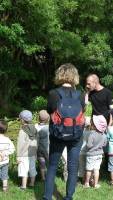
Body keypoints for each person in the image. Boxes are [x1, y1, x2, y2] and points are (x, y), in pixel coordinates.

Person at [43, 63, 85, 200]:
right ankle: (68, 197)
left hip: (57, 134)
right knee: (72, 167)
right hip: (76, 135)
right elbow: (82, 112)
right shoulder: (81, 94)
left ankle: (47, 197)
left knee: (53, 166)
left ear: (59, 75)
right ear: (75, 76)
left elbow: (50, 112)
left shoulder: (53, 93)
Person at [84, 115, 107, 188]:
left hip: (91, 154)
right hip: (99, 155)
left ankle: (87, 183)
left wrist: (88, 145)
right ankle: (96, 184)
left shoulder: (92, 135)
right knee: (96, 169)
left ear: (95, 125)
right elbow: (104, 144)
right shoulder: (104, 135)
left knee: (89, 169)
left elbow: (89, 145)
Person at [17, 110, 38, 189]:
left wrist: (18, 156)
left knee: (23, 170)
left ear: (22, 119)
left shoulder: (22, 131)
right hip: (32, 153)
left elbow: (20, 144)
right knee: (32, 168)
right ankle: (32, 183)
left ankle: (23, 186)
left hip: (23, 154)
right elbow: (36, 142)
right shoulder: (35, 129)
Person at [0, 120, 15, 192]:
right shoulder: (7, 139)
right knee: (4, 175)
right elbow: (12, 149)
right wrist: (5, 153)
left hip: (3, 160)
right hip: (5, 161)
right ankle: (5, 188)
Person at [35, 110, 50, 181]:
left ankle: (43, 177)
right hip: (47, 148)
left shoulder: (35, 126)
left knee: (41, 162)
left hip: (38, 148)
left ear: (38, 118)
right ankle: (49, 176)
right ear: (48, 119)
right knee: (49, 162)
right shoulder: (49, 127)